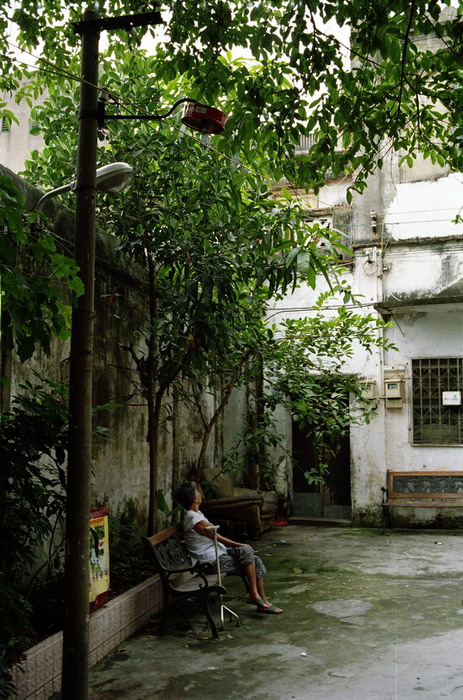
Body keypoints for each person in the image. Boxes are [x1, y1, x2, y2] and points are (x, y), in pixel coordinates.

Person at [175, 481, 283, 614]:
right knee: (251, 558)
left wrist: (240, 545)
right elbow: (216, 536)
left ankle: (260, 598)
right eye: (197, 491)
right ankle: (255, 595)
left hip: (217, 553)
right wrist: (239, 544)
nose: (199, 493)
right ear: (194, 498)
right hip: (209, 562)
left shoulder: (196, 514)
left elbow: (212, 534)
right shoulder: (193, 518)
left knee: (249, 554)